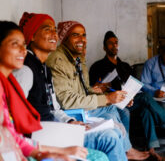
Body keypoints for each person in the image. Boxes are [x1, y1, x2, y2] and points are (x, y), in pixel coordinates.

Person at [13, 12, 124, 160]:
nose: (54, 34)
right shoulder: (26, 69)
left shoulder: (44, 68)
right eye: (47, 29)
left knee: (114, 132)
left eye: (54, 30)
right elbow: (14, 116)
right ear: (32, 36)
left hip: (54, 128)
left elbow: (54, 108)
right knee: (108, 139)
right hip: (41, 136)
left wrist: (69, 121)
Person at [46, 20, 149, 160]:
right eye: (75, 35)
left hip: (81, 105)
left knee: (118, 109)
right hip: (72, 112)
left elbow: (83, 89)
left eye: (84, 35)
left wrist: (112, 96)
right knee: (113, 125)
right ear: (64, 38)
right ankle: (123, 149)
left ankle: (126, 149)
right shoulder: (58, 60)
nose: (81, 39)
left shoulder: (77, 57)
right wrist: (107, 98)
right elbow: (67, 101)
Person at [89, 31, 165, 159]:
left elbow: (135, 84)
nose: (114, 45)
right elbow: (93, 89)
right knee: (146, 98)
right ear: (104, 47)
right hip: (112, 100)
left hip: (130, 100)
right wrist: (103, 86)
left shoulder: (125, 66)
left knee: (146, 110)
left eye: (116, 43)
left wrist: (133, 91)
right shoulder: (97, 66)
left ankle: (152, 149)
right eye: (110, 43)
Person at [0, 20, 85, 161]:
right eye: (15, 44)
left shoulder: (8, 84)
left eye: (23, 44)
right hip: (37, 135)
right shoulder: (25, 72)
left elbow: (14, 137)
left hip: (32, 140)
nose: (22, 50)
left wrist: (49, 153)